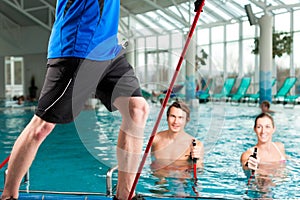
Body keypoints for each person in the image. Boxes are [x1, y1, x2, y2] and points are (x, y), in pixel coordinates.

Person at [1, 1, 149, 200]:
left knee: (137, 109)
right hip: (77, 46)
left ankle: (124, 195)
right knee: (41, 127)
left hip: (108, 48)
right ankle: (8, 195)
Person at [151, 101, 204, 179]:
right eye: (173, 116)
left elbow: (199, 171)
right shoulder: (155, 139)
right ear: (167, 117)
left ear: (187, 120)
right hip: (160, 176)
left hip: (181, 177)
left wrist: (197, 160)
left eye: (180, 118)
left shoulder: (195, 145)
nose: (176, 122)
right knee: (160, 181)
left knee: (180, 183)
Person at [240, 113, 286, 191]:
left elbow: (288, 159)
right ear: (255, 129)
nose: (263, 131)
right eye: (259, 127)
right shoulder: (248, 154)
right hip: (263, 189)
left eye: (267, 127)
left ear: (273, 129)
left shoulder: (279, 147)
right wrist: (249, 165)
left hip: (283, 186)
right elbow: (246, 164)